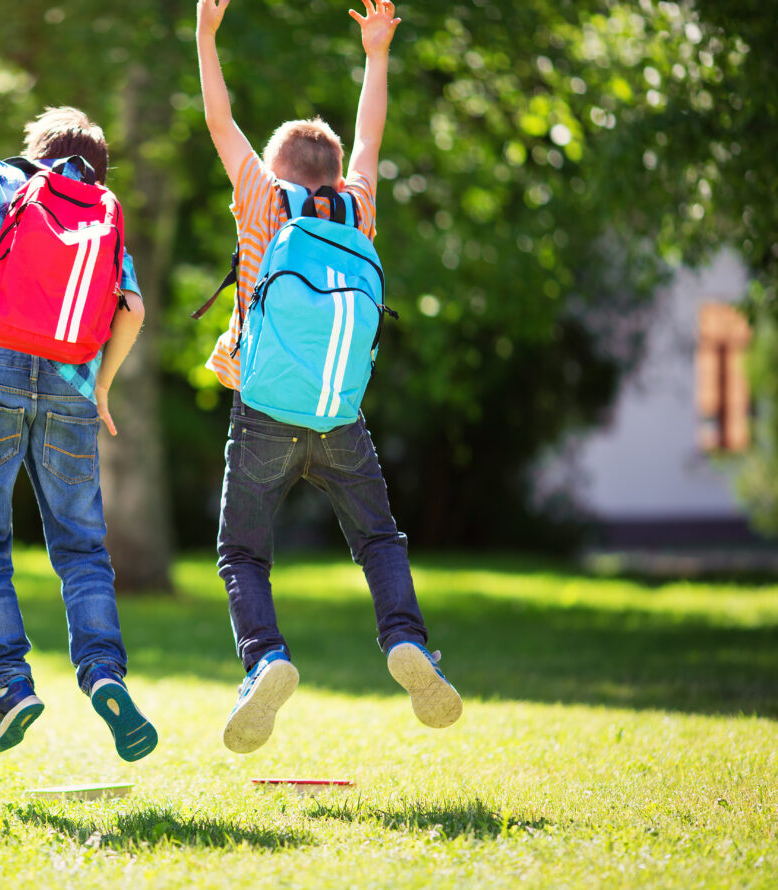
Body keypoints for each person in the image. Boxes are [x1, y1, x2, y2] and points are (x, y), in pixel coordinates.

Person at [195, 0, 462, 754]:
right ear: (334, 173)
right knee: (378, 536)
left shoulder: (258, 199)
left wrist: (206, 35)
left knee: (243, 553)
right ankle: (407, 641)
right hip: (339, 410)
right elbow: (372, 133)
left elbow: (220, 122)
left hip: (261, 410)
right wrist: (376, 51)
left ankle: (266, 660)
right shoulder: (359, 206)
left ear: (276, 169)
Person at [0, 107, 158, 761]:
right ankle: (104, 674)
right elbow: (134, 308)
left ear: (36, 148)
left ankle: (9, 686)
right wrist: (104, 385)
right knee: (83, 549)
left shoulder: (0, 178)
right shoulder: (103, 207)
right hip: (72, 386)